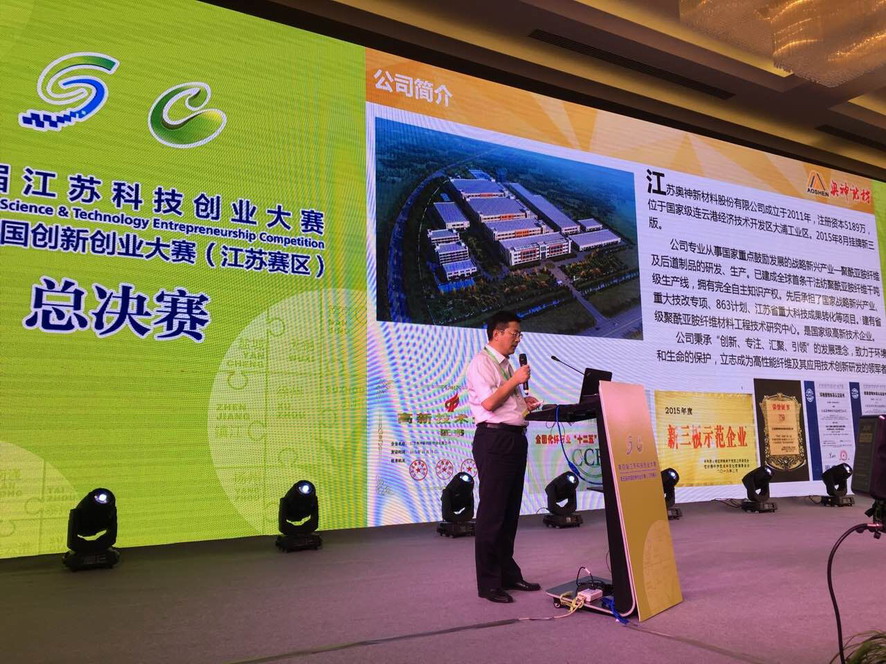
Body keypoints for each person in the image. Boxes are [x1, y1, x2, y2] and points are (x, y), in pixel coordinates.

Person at [466, 310, 542, 603]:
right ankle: (488, 583)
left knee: (509, 513)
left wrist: (525, 405)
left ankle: (508, 574)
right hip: (494, 440)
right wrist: (516, 382)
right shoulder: (482, 362)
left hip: (513, 439)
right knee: (493, 514)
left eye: (519, 334)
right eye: (514, 333)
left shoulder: (507, 365)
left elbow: (508, 404)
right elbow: (489, 403)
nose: (518, 339)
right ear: (497, 333)